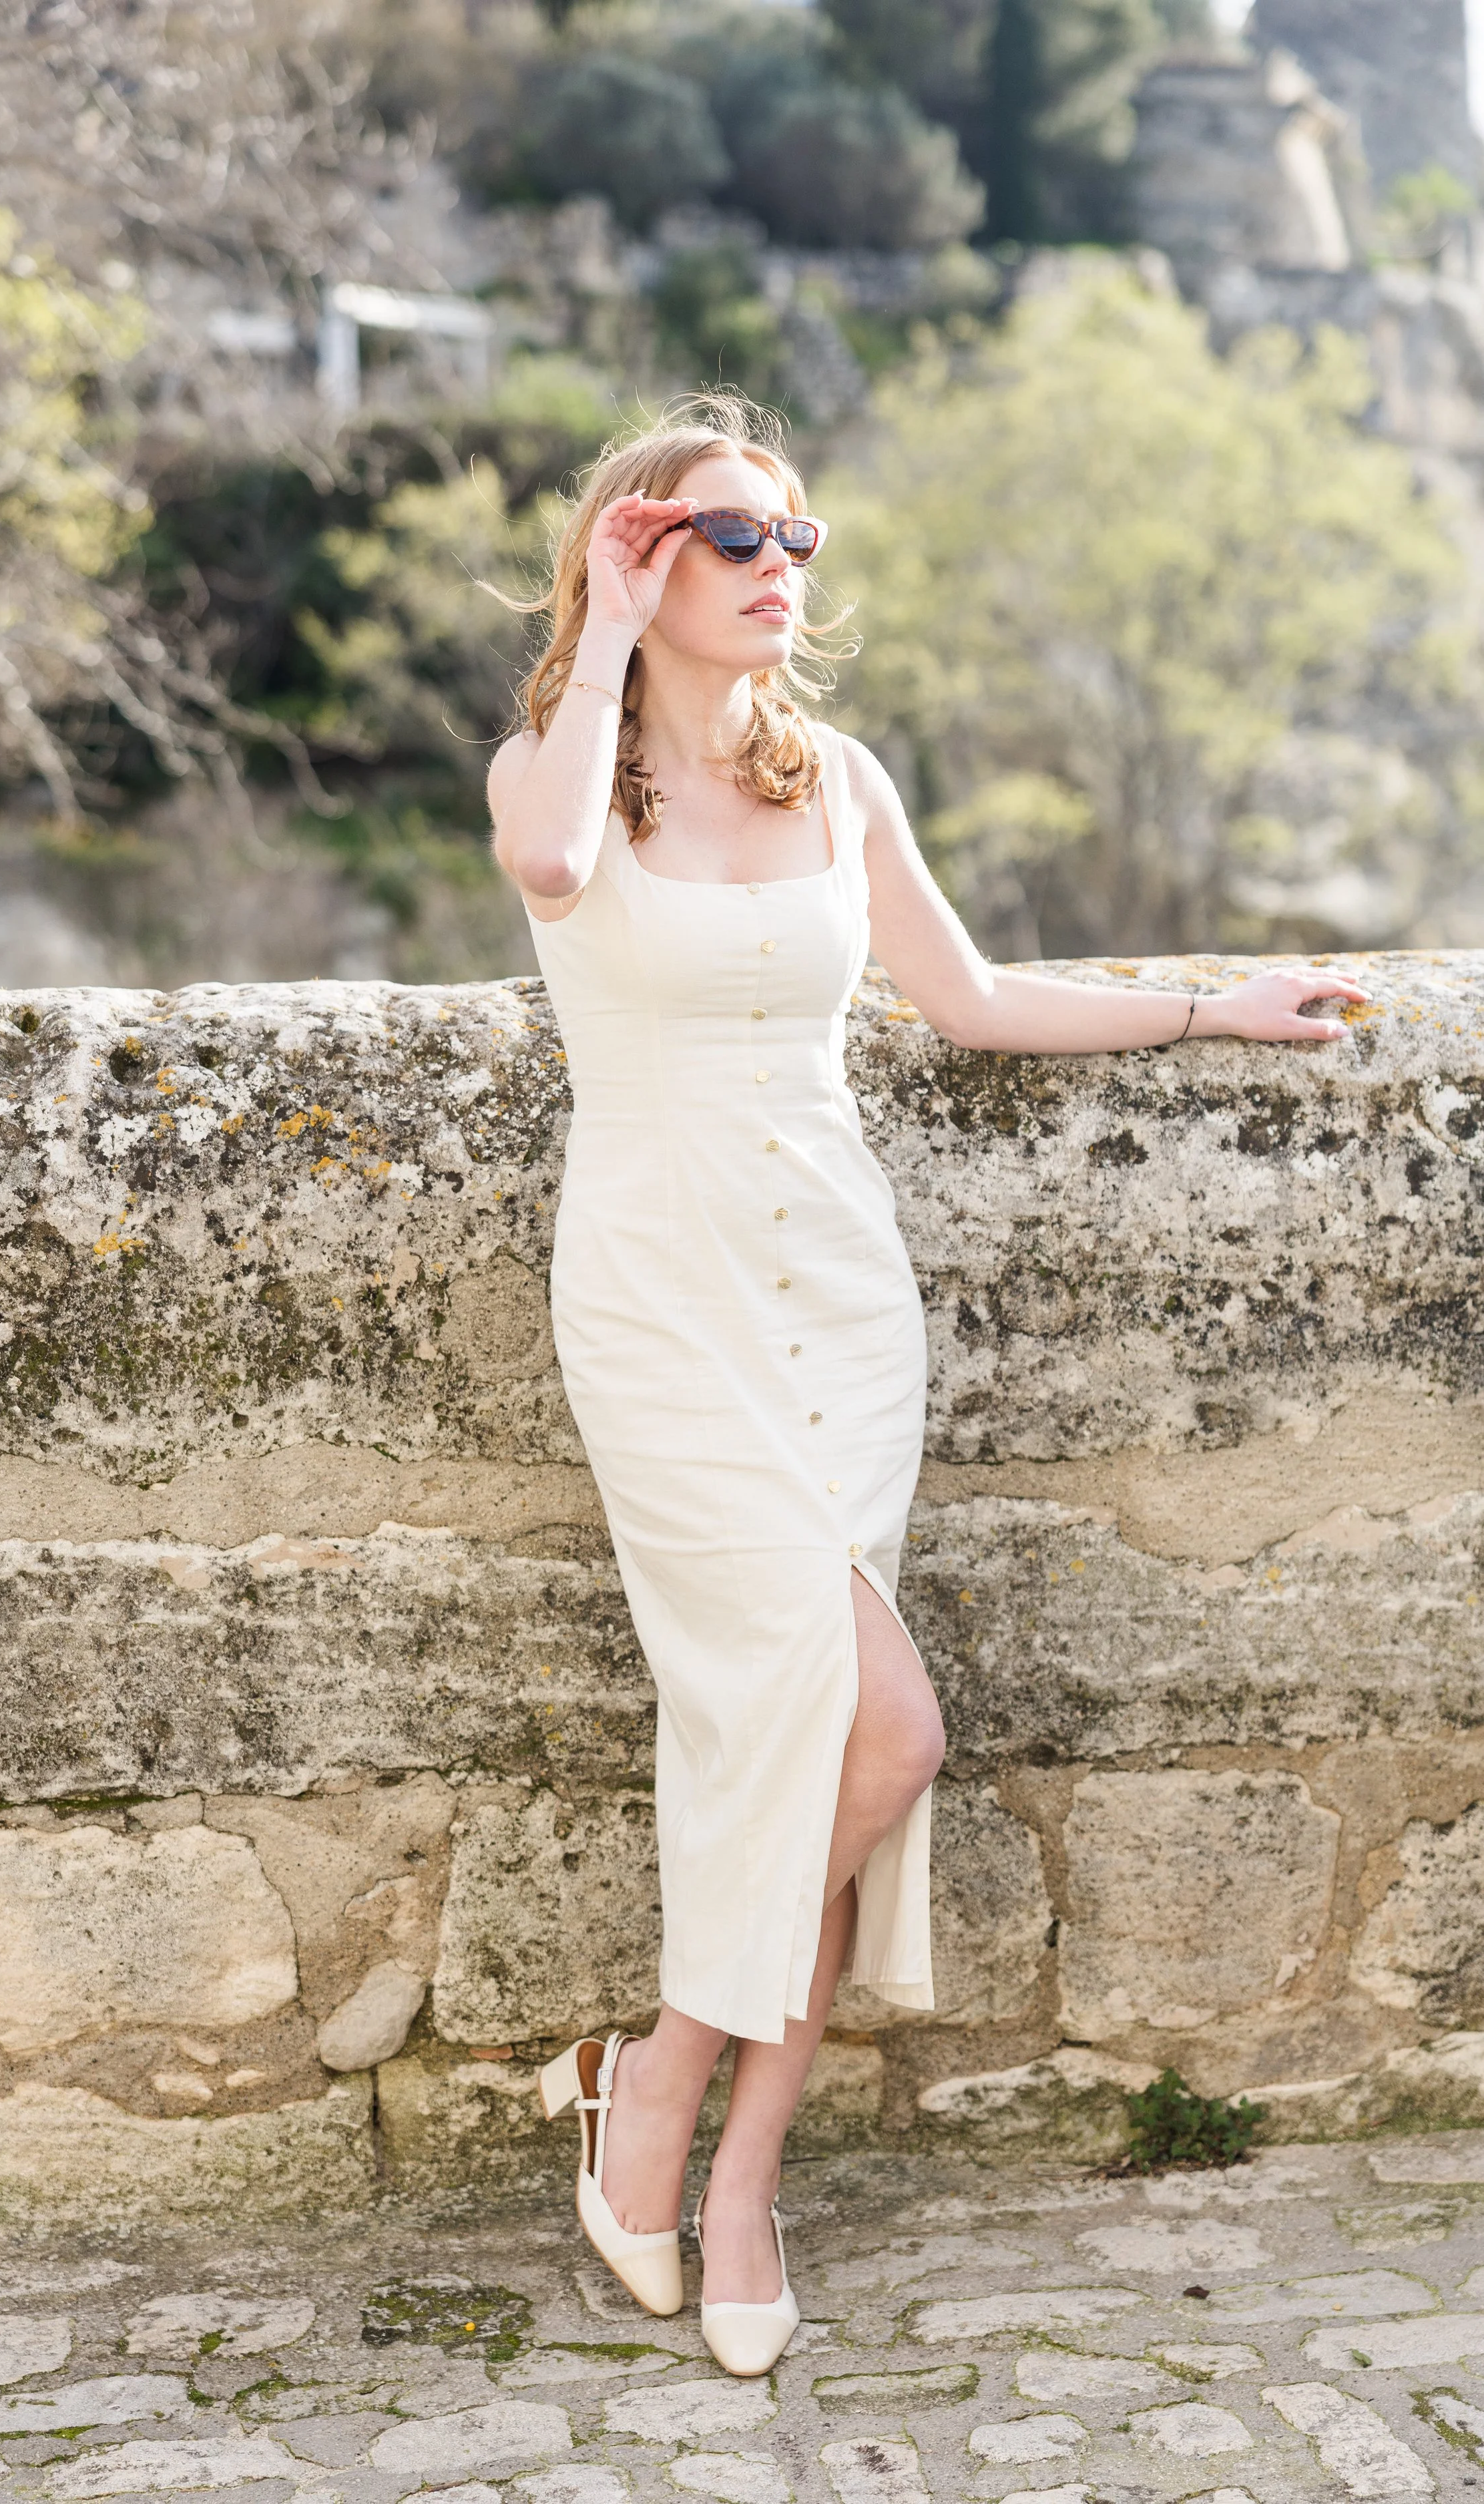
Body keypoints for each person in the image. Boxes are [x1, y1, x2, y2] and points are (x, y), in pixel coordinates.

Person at [487, 395, 1366, 2376]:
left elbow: (966, 998)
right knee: (877, 1734)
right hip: (656, 1303)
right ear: (635, 552)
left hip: (838, 1307)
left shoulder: (837, 776)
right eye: (731, 539)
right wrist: (610, 634)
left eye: (796, 536)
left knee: (816, 1748)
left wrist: (1207, 1003)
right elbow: (548, 867)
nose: (779, 569)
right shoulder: (559, 772)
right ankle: (654, 2108)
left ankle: (712, 2159)